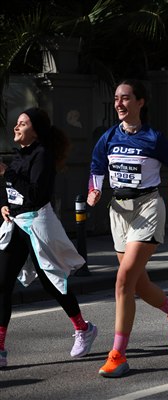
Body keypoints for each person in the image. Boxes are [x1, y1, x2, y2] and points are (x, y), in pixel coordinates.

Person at [87, 79, 168, 378]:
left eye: (126, 98)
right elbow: (96, 167)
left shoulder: (154, 138)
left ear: (140, 102)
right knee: (139, 285)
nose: (119, 104)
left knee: (123, 281)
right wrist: (94, 189)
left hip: (147, 208)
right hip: (119, 212)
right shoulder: (108, 137)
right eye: (117, 98)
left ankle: (117, 355)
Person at [0, 108, 97, 368]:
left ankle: (83, 328)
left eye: (23, 123)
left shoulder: (42, 155)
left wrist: (7, 173)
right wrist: (4, 205)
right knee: (2, 284)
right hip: (16, 224)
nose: (16, 127)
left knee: (51, 281)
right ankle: (0, 349)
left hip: (38, 225)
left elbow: (35, 194)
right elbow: (12, 191)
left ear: (36, 130)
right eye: (17, 123)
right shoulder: (18, 156)